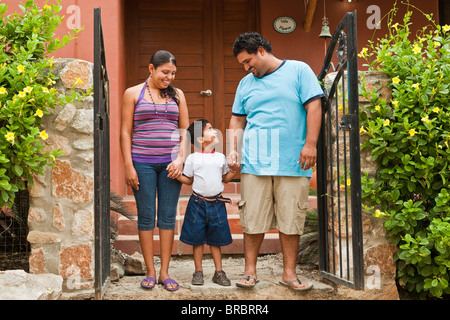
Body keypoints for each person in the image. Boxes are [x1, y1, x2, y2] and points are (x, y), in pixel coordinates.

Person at [228, 32, 324, 291]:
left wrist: (311, 144)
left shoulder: (298, 70)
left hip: (293, 160)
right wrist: (233, 149)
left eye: (248, 61)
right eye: (242, 65)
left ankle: (289, 273)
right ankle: (250, 271)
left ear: (261, 51)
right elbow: (238, 119)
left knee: (291, 218)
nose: (247, 68)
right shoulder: (245, 83)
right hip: (255, 161)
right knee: (253, 218)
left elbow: (314, 106)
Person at [120, 50, 189, 291]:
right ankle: (150, 271)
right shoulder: (132, 93)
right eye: (164, 72)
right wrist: (129, 165)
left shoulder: (178, 95)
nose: (169, 77)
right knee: (147, 216)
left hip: (171, 167)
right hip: (142, 163)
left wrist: (180, 159)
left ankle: (165, 272)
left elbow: (184, 132)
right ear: (151, 69)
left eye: (173, 73)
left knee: (168, 217)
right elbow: (126, 132)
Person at [177, 119, 236, 286]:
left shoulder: (220, 158)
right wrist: (177, 175)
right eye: (210, 129)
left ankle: (219, 272)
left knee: (216, 240)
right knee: (197, 239)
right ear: (201, 140)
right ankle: (198, 271)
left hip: (217, 204)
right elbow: (188, 180)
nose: (215, 131)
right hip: (197, 204)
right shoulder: (192, 159)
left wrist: (234, 171)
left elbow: (225, 179)